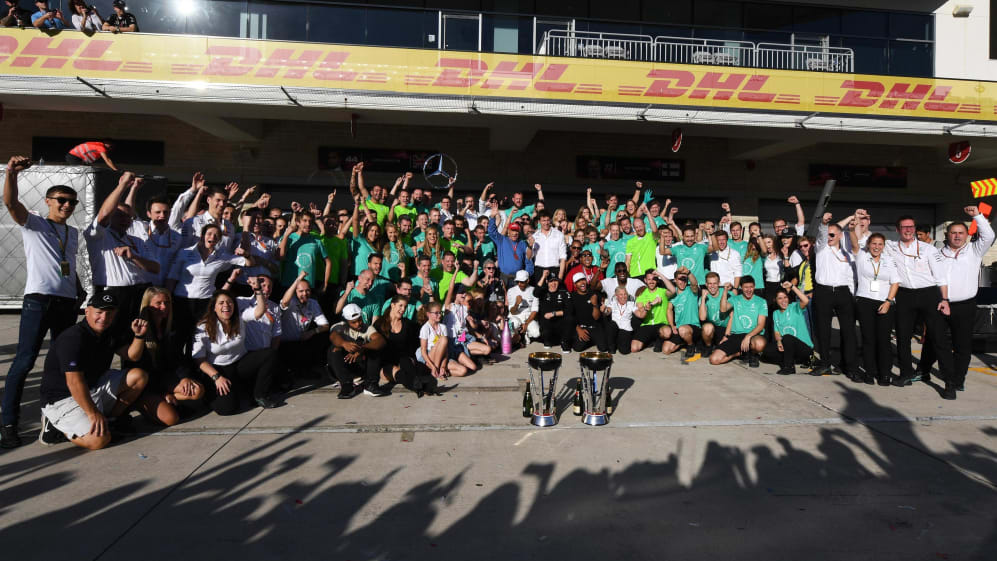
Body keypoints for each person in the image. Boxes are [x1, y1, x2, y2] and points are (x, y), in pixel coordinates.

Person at [2, 156, 82, 449]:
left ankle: (55, 420)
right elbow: (11, 203)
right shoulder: (34, 223)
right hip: (39, 300)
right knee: (25, 361)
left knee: (61, 365)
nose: (67, 205)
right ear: (48, 201)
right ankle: (8, 424)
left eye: (72, 202)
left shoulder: (72, 232)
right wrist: (12, 173)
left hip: (66, 303)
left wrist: (78, 290)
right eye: (61, 200)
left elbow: (66, 265)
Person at [37, 292, 150, 450]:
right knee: (99, 441)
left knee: (139, 376)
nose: (104, 317)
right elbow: (74, 382)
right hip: (63, 398)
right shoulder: (73, 338)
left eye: (109, 313)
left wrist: (139, 336)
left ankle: (110, 420)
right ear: (87, 311)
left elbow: (132, 356)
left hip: (93, 386)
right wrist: (93, 413)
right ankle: (55, 428)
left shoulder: (108, 331)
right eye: (99, 312)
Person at [922, 206, 995, 399]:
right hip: (939, 305)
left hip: (965, 306)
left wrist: (977, 216)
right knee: (939, 344)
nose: (957, 236)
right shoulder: (937, 254)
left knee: (962, 346)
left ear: (966, 235)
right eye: (953, 233)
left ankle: (958, 379)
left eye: (961, 233)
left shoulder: (974, 250)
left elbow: (989, 235)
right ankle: (946, 380)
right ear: (947, 235)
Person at [85, 172, 159, 335]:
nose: (125, 219)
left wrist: (134, 257)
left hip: (139, 292)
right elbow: (104, 215)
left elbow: (155, 268)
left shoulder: (136, 240)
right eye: (119, 215)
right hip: (113, 293)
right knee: (110, 336)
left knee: (136, 335)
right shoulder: (99, 236)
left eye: (128, 217)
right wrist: (122, 185)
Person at [886, 215, 951, 388]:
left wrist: (944, 299)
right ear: (898, 230)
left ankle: (949, 383)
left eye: (911, 227)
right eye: (904, 227)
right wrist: (860, 222)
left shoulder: (928, 249)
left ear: (915, 229)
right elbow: (865, 241)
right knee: (902, 337)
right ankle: (905, 374)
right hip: (904, 295)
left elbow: (941, 277)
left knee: (938, 338)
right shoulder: (890, 247)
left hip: (929, 294)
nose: (908, 230)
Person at [192, 290, 281, 414]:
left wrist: (258, 290)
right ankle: (210, 394)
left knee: (270, 354)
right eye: (221, 303)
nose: (226, 305)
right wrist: (217, 377)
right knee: (227, 408)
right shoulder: (202, 327)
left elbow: (260, 311)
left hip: (240, 363)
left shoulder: (240, 318)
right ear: (214, 308)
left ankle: (260, 395)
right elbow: (200, 360)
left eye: (229, 302)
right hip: (218, 370)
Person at [126, 288, 205, 427]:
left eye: (167, 302)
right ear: (147, 305)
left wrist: (184, 377)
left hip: (164, 378)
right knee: (171, 419)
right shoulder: (137, 328)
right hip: (145, 384)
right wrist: (161, 393)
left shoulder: (171, 325)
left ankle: (167, 400)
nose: (164, 307)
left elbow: (178, 356)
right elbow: (138, 367)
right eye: (158, 303)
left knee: (197, 390)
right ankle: (141, 403)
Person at [167, 224, 249, 355]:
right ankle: (175, 365)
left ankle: (195, 365)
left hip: (206, 302)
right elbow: (172, 277)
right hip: (182, 300)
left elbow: (249, 263)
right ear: (202, 236)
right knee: (179, 335)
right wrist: (168, 299)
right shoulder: (185, 252)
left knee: (199, 336)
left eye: (216, 235)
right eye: (210, 233)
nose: (213, 237)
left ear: (219, 239)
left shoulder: (222, 256)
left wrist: (246, 254)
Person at [810, 212, 859, 377]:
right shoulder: (821, 248)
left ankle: (851, 367)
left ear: (840, 236)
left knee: (848, 331)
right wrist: (824, 224)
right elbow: (822, 235)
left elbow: (851, 276)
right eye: (828, 234)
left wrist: (852, 295)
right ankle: (825, 363)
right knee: (823, 331)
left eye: (832, 235)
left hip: (843, 292)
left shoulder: (848, 253)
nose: (829, 237)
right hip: (823, 291)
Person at [849, 230, 899, 386]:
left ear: (884, 246)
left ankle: (884, 374)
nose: (876, 247)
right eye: (874, 244)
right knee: (868, 339)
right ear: (868, 245)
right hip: (865, 302)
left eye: (880, 244)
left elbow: (895, 282)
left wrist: (888, 302)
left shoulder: (889, 260)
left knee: (883, 340)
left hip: (885, 302)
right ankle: (870, 372)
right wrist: (852, 230)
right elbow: (854, 244)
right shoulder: (862, 257)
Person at [328, 304, 388, 398]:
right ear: (346, 321)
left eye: (359, 320)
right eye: (353, 322)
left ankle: (371, 385)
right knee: (334, 348)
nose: (358, 324)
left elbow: (380, 340)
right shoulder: (340, 326)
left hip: (360, 366)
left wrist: (362, 348)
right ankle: (347, 385)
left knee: (374, 348)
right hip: (344, 366)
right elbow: (333, 336)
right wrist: (344, 344)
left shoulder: (367, 328)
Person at [279, 271, 331, 379]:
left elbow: (325, 325)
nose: (305, 294)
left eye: (307, 290)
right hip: (286, 343)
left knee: (321, 337)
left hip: (302, 340)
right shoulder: (291, 301)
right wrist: (298, 279)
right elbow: (284, 302)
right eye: (301, 291)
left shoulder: (313, 303)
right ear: (295, 292)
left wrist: (313, 332)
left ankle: (308, 369)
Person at [710, 277, 767, 367]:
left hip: (753, 335)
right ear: (741, 287)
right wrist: (725, 291)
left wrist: (748, 336)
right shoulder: (735, 299)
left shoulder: (761, 301)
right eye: (746, 287)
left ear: (754, 287)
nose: (749, 290)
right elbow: (723, 309)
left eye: (751, 287)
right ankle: (739, 353)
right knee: (714, 360)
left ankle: (753, 354)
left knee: (760, 344)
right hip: (736, 335)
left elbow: (761, 325)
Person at [764, 283, 814, 375]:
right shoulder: (775, 313)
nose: (783, 300)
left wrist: (792, 286)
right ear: (775, 300)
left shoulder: (794, 307)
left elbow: (806, 300)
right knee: (766, 352)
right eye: (780, 298)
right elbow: (777, 332)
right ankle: (792, 359)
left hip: (803, 348)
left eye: (785, 297)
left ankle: (789, 367)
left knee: (787, 337)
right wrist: (779, 341)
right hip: (788, 348)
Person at [661, 268, 701, 359]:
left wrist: (689, 273)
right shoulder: (673, 293)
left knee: (683, 330)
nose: (682, 282)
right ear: (675, 280)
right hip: (679, 328)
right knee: (666, 350)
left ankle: (691, 345)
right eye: (680, 279)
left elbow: (694, 284)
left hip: (693, 327)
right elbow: (669, 310)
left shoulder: (691, 291)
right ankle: (684, 342)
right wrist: (672, 325)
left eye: (685, 279)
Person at [632, 269, 670, 353]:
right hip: (647, 324)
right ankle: (651, 341)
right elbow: (641, 312)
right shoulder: (641, 293)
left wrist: (660, 274)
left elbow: (673, 290)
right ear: (645, 280)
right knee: (634, 348)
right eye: (649, 279)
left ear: (657, 280)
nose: (651, 281)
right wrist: (649, 306)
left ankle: (659, 340)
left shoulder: (662, 291)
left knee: (667, 332)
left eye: (654, 279)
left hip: (661, 324)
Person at [568, 272, 607, 353]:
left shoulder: (594, 294)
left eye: (583, 280)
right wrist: (578, 329)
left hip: (595, 327)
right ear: (575, 285)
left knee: (603, 348)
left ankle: (593, 340)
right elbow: (570, 316)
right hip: (582, 327)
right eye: (578, 281)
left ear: (586, 281)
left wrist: (595, 305)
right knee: (577, 348)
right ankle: (590, 340)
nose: (582, 283)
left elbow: (596, 317)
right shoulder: (572, 296)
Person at [537, 272, 572, 352]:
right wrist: (543, 277)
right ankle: (547, 340)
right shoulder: (543, 292)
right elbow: (535, 292)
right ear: (547, 282)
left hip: (560, 323)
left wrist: (554, 313)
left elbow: (570, 310)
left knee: (570, 318)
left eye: (555, 281)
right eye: (551, 281)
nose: (553, 284)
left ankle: (565, 342)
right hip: (547, 324)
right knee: (544, 320)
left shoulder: (564, 292)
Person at [698, 272, 730, 356]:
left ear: (719, 283)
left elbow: (733, 316)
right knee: (707, 328)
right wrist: (703, 299)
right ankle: (709, 346)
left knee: (723, 352)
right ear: (706, 284)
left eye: (715, 283)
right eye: (710, 283)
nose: (712, 286)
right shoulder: (704, 297)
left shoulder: (726, 293)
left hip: (725, 328)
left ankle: (717, 345)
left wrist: (727, 334)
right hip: (712, 328)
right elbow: (702, 318)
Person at [506, 270, 540, 345]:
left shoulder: (534, 290)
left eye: (522, 282)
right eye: (517, 281)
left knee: (536, 333)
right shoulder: (511, 291)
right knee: (513, 324)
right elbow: (511, 311)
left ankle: (524, 333)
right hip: (515, 316)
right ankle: (518, 335)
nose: (519, 284)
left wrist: (526, 323)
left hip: (528, 317)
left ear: (527, 280)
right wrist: (516, 304)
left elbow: (535, 310)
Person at [531, 211, 566, 282]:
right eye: (543, 220)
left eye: (548, 220)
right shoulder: (534, 236)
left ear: (550, 220)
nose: (546, 223)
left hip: (554, 270)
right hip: (539, 270)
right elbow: (530, 256)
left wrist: (560, 277)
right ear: (539, 221)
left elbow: (563, 257)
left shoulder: (559, 235)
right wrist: (529, 245)